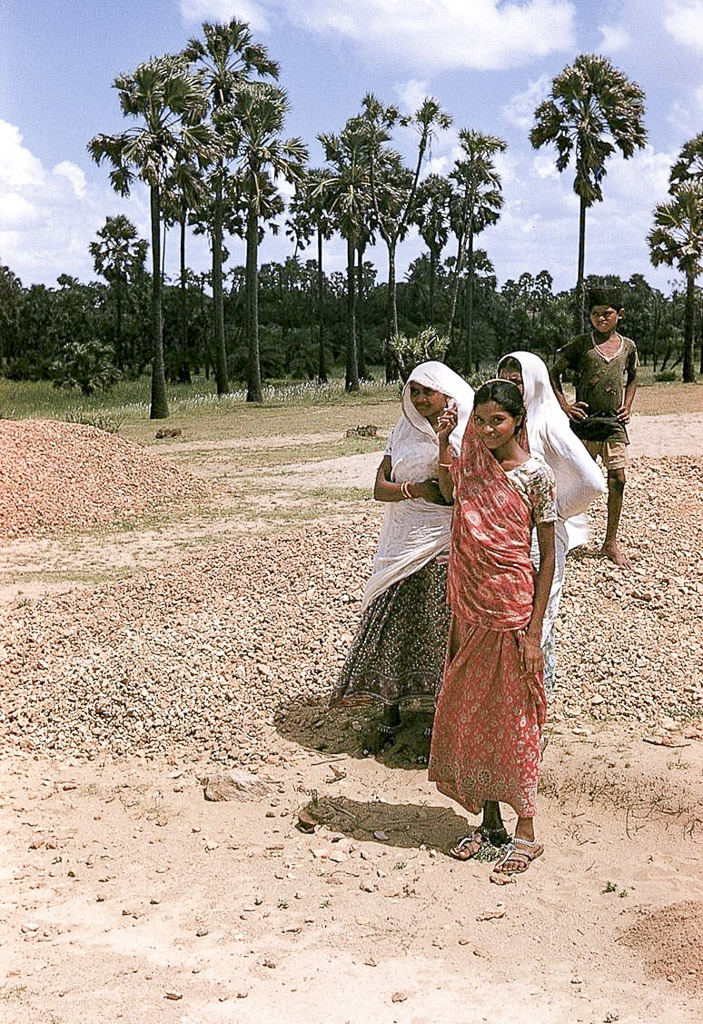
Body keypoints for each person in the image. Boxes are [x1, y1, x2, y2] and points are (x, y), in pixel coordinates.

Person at [428, 380, 556, 876]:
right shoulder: (472, 464)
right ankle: (491, 822)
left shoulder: (535, 476)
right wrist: (444, 443)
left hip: (511, 607)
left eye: (495, 421)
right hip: (470, 604)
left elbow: (545, 555)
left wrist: (533, 629)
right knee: (472, 710)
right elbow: (449, 493)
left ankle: (527, 830)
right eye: (477, 421)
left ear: (517, 421)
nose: (484, 431)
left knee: (516, 715)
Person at [330, 361, 475, 752]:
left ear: (448, 393)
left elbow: (451, 493)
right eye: (415, 391)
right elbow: (380, 486)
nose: (421, 399)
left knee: (435, 627)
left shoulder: (467, 431)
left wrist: (445, 443)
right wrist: (413, 490)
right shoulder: (402, 429)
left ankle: (435, 717)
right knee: (392, 620)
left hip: (441, 540)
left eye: (428, 391)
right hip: (400, 540)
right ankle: (389, 709)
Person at [497, 351, 606, 694]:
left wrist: (555, 510)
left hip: (537, 537)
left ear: (534, 382)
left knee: (536, 617)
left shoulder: (547, 421)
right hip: (503, 536)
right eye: (505, 379)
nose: (511, 386)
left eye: (518, 380)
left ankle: (534, 700)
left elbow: (592, 482)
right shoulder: (501, 421)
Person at [550, 288, 638, 568]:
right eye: (596, 314)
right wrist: (566, 406)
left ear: (619, 315)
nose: (601, 319)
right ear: (589, 316)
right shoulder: (579, 345)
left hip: (613, 424)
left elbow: (634, 376)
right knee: (576, 481)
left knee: (618, 480)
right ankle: (563, 536)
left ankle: (610, 542)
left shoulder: (628, 347)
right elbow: (554, 372)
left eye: (607, 313)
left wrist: (628, 404)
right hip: (584, 425)